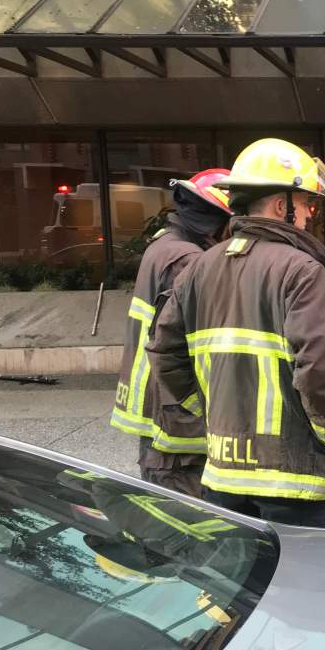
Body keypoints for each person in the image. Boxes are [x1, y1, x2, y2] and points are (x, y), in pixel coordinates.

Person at [148, 138, 325, 529]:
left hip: (223, 475)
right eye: (307, 203)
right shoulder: (301, 271)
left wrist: (209, 414)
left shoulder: (199, 269)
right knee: (300, 586)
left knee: (240, 586)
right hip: (292, 479)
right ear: (281, 206)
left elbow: (164, 353)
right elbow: (322, 368)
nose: (310, 213)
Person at [110, 170, 233, 498]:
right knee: (189, 530)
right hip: (175, 418)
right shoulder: (189, 260)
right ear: (216, 220)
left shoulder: (165, 245)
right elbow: (191, 343)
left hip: (158, 408)